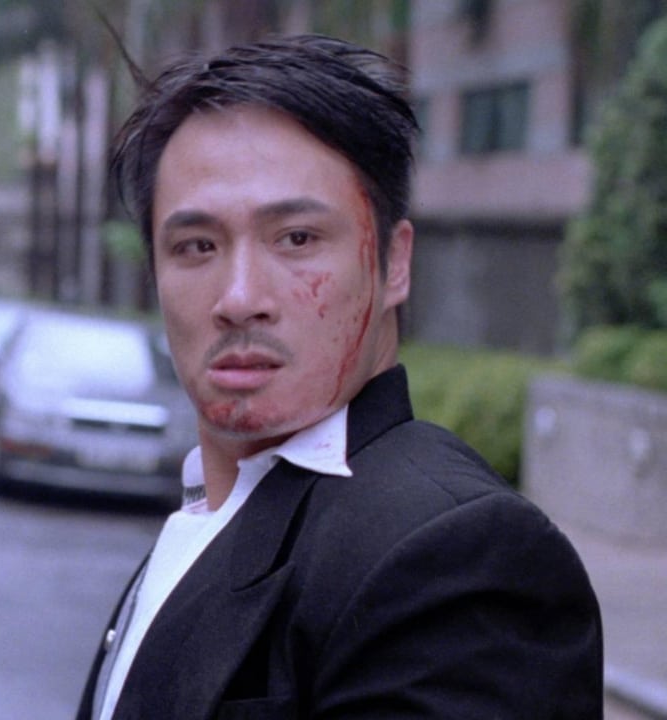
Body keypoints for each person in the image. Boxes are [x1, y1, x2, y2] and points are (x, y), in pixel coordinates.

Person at [76, 35, 603, 719]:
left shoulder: (455, 557)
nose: (239, 297)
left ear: (394, 263)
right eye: (197, 246)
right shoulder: (212, 508)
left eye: (297, 238)